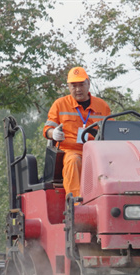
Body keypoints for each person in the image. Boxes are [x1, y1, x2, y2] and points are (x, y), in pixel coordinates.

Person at [43, 66, 111, 198]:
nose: (78, 89)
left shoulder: (102, 106)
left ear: (88, 84)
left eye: (81, 85)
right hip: (71, 151)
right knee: (73, 161)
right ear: (68, 86)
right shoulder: (59, 104)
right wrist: (54, 133)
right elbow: (47, 130)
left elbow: (111, 131)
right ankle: (76, 203)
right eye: (74, 85)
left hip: (97, 152)